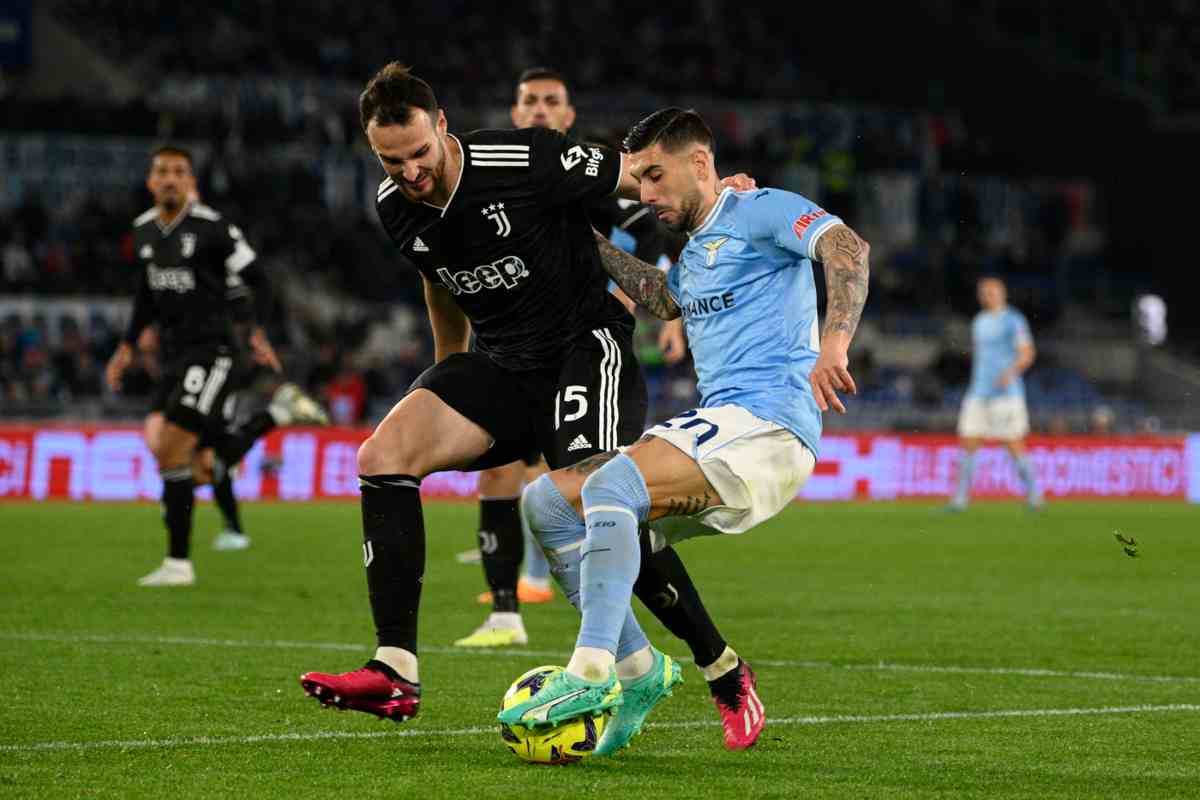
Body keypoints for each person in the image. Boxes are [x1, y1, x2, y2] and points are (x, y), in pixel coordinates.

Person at [298, 66, 753, 745]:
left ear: (442, 126)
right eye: (392, 161)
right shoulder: (395, 206)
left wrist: (717, 195)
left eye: (419, 153)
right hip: (504, 366)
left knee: (596, 503)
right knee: (382, 455)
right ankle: (395, 670)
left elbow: (639, 176)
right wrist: (445, 374)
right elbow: (439, 286)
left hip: (584, 348)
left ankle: (720, 666)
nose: (411, 172)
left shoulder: (523, 158)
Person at [499, 108, 870, 754]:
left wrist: (834, 342)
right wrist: (585, 240)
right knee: (548, 504)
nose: (643, 193)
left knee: (612, 486)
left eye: (653, 175)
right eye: (637, 179)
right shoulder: (695, 250)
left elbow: (847, 248)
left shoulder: (758, 209)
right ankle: (641, 669)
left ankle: (590, 671)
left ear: (700, 163)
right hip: (722, 428)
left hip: (769, 425)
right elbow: (665, 299)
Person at [457, 67, 688, 645]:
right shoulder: (487, 179)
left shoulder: (593, 177)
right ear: (515, 114)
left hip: (581, 348)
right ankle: (505, 614)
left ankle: (645, 635)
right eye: (529, 100)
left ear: (568, 115)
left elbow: (652, 242)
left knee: (588, 486)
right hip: (507, 345)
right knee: (499, 474)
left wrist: (661, 315)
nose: (538, 109)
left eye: (550, 101)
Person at [105, 146, 328, 587]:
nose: (170, 179)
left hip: (214, 354)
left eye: (179, 172)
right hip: (172, 358)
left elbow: (259, 279)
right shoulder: (144, 230)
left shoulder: (214, 229)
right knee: (191, 460)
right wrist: (127, 346)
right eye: (162, 171)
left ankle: (178, 563)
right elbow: (146, 294)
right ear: (150, 181)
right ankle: (274, 416)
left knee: (174, 447)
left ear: (191, 181)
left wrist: (256, 332)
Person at [947, 275, 1043, 511]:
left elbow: (1027, 353)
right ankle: (960, 500)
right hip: (978, 392)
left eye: (991, 292)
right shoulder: (979, 321)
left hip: (1006, 393)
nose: (986, 296)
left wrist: (1010, 372)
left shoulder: (1013, 320)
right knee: (968, 441)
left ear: (1002, 293)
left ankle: (1034, 496)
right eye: (983, 292)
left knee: (1012, 442)